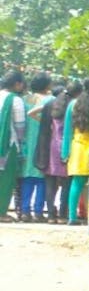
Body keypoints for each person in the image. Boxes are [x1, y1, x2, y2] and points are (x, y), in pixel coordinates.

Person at [62, 77, 89, 226]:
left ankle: (72, 217)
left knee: (77, 182)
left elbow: (67, 130)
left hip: (78, 145)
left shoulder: (74, 104)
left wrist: (65, 152)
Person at [18, 73, 53, 222]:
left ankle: (25, 211)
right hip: (44, 144)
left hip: (26, 143)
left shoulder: (24, 100)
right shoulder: (50, 100)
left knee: (27, 178)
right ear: (47, 86)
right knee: (41, 178)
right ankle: (38, 212)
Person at [39, 82, 76, 224]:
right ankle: (62, 215)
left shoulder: (51, 105)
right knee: (67, 183)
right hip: (68, 145)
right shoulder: (73, 106)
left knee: (50, 182)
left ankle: (50, 216)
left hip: (52, 145)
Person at [0, 71, 28, 223]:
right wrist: (22, 142)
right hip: (7, 145)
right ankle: (1, 212)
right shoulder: (15, 100)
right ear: (17, 84)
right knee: (5, 179)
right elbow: (20, 125)